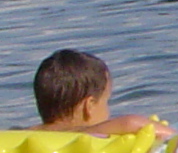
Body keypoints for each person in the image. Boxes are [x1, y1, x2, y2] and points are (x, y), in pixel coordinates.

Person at [29, 48, 161, 137]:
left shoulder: (28, 133)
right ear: (89, 105)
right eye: (106, 101)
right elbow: (130, 123)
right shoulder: (84, 132)